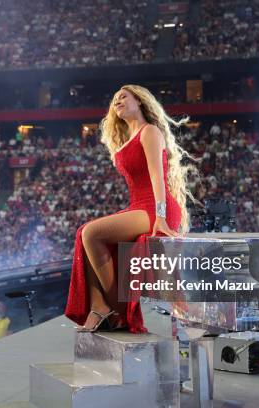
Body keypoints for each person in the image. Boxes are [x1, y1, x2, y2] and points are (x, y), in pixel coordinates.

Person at [64, 84, 197, 333]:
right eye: (115, 99)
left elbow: (157, 178)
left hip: (157, 207)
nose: (117, 101)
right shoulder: (127, 140)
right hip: (140, 206)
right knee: (84, 233)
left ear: (140, 101)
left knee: (91, 233)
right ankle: (100, 306)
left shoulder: (150, 132)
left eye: (123, 96)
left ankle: (117, 308)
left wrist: (160, 216)